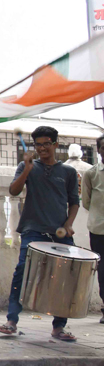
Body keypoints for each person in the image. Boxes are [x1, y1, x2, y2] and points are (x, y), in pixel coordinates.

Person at [0, 125, 80, 341]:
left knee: (65, 278)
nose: (42, 148)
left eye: (46, 144)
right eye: (38, 144)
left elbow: (74, 202)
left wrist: (69, 223)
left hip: (60, 233)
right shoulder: (26, 166)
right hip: (32, 230)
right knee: (22, 271)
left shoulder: (69, 172)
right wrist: (26, 169)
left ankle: (59, 327)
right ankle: (11, 321)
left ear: (55, 144)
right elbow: (13, 191)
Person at [80, 135, 104, 324]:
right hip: (99, 229)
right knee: (102, 270)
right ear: (98, 150)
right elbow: (86, 202)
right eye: (103, 147)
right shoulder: (92, 174)